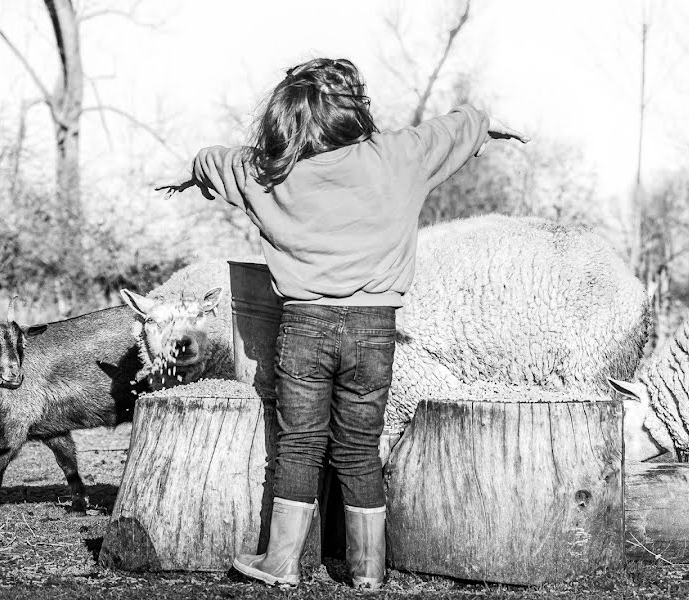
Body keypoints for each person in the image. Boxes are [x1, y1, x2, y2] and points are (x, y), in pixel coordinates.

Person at [160, 57, 528, 589]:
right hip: (374, 330)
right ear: (354, 110)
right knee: (359, 447)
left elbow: (215, 160)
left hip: (303, 327)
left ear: (285, 117)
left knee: (299, 445)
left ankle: (282, 562)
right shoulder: (398, 157)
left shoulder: (267, 172)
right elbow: (458, 126)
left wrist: (195, 173)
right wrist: (484, 126)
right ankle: (368, 571)